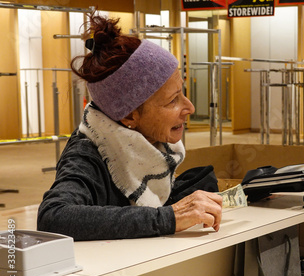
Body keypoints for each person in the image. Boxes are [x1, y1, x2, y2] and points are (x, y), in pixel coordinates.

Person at [37, 13, 222, 241]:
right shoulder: (88, 155)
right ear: (129, 117)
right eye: (172, 100)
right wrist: (168, 218)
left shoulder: (153, 146)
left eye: (181, 92)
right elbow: (53, 217)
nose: (190, 107)